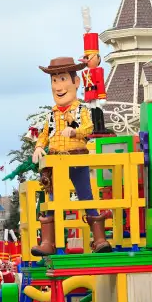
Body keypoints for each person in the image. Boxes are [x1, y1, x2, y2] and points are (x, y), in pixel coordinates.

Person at [31, 56, 109, 255]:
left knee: (86, 195)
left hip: (76, 156)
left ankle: (99, 239)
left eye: (63, 79)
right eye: (54, 81)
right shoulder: (52, 114)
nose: (58, 86)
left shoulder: (81, 109)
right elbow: (45, 134)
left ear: (76, 82)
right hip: (56, 160)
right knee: (52, 197)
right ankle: (48, 242)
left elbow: (88, 127)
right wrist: (39, 147)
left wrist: (74, 131)